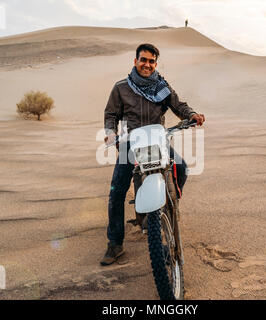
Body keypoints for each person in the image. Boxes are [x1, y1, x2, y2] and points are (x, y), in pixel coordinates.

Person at [100, 43, 205, 266]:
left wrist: (192, 114)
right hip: (131, 143)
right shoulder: (121, 87)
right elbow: (111, 114)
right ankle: (115, 243)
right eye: (143, 60)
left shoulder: (162, 87)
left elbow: (179, 106)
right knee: (117, 190)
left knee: (182, 168)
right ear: (135, 61)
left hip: (158, 139)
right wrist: (110, 132)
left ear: (155, 63)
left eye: (151, 61)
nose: (147, 64)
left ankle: (162, 214)